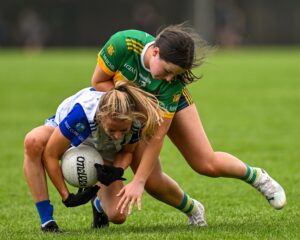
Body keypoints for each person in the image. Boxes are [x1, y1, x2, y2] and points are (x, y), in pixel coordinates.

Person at [91, 23, 287, 224]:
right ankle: (194, 209)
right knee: (153, 183)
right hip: (134, 111)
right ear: (155, 51)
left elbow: (157, 136)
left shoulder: (171, 83)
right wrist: (133, 109)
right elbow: (98, 82)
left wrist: (137, 180)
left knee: (205, 163)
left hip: (167, 104)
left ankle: (258, 178)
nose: (169, 78)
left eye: (175, 74)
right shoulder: (123, 44)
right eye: (168, 70)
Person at [23, 81, 163, 232]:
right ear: (101, 117)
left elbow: (127, 152)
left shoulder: (135, 121)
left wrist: (117, 170)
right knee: (33, 142)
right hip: (68, 136)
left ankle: (98, 203)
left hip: (103, 148)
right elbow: (51, 154)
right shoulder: (81, 115)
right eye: (113, 129)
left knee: (118, 215)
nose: (118, 136)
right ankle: (47, 221)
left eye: (123, 130)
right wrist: (67, 196)